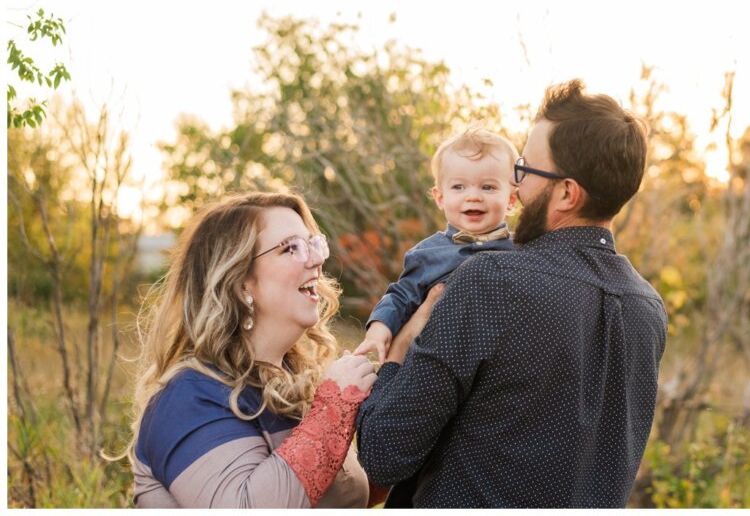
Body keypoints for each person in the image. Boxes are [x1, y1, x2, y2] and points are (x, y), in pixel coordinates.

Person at [356, 79, 669, 508]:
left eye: (523, 171)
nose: (515, 188)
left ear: (566, 193)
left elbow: (382, 456)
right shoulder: (648, 308)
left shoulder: (493, 281)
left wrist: (397, 352)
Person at [126, 192, 388, 508]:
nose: (317, 260)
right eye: (291, 248)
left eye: (313, 244)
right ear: (240, 283)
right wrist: (334, 407)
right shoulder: (189, 397)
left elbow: (344, 495)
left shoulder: (292, 389)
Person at [353, 124, 518, 363]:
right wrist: (380, 326)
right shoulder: (428, 253)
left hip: (500, 363)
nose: (473, 196)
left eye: (488, 187)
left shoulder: (522, 251)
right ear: (440, 198)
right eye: (458, 186)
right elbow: (401, 295)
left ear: (511, 199)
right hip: (440, 360)